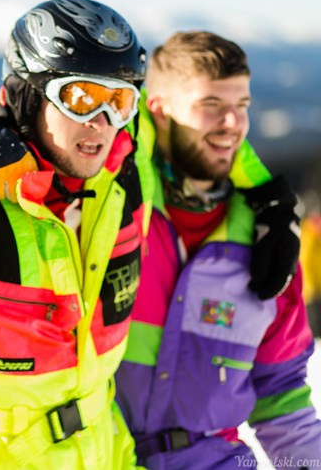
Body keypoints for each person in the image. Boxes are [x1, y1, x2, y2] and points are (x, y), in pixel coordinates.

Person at [0, 0, 150, 469]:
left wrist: (269, 196)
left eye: (119, 101)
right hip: (3, 454)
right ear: (25, 96)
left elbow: (207, 117)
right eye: (81, 97)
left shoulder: (123, 175)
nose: (102, 122)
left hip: (106, 443)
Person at [114, 31, 321, 468]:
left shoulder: (267, 242)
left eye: (242, 105)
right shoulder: (117, 214)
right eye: (211, 104)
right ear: (159, 110)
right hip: (105, 456)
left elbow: (281, 396)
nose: (233, 123)